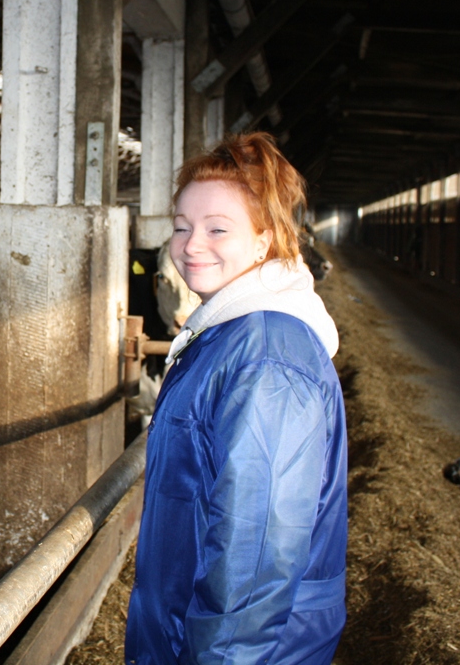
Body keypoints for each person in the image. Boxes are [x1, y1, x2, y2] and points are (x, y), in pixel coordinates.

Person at [125, 132, 347, 665]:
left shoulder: (267, 359)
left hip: (240, 646)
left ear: (264, 241)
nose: (191, 245)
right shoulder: (227, 334)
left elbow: (258, 547)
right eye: (182, 227)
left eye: (217, 228)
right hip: (190, 621)